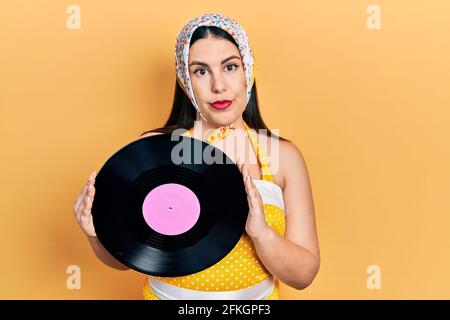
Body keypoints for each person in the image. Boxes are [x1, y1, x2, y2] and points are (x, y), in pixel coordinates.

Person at [73, 13, 320, 300]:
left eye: (230, 67)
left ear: (248, 71)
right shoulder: (154, 150)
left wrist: (261, 233)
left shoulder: (284, 157)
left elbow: (303, 276)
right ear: (184, 82)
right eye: (201, 71)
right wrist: (96, 235)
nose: (219, 86)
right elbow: (127, 257)